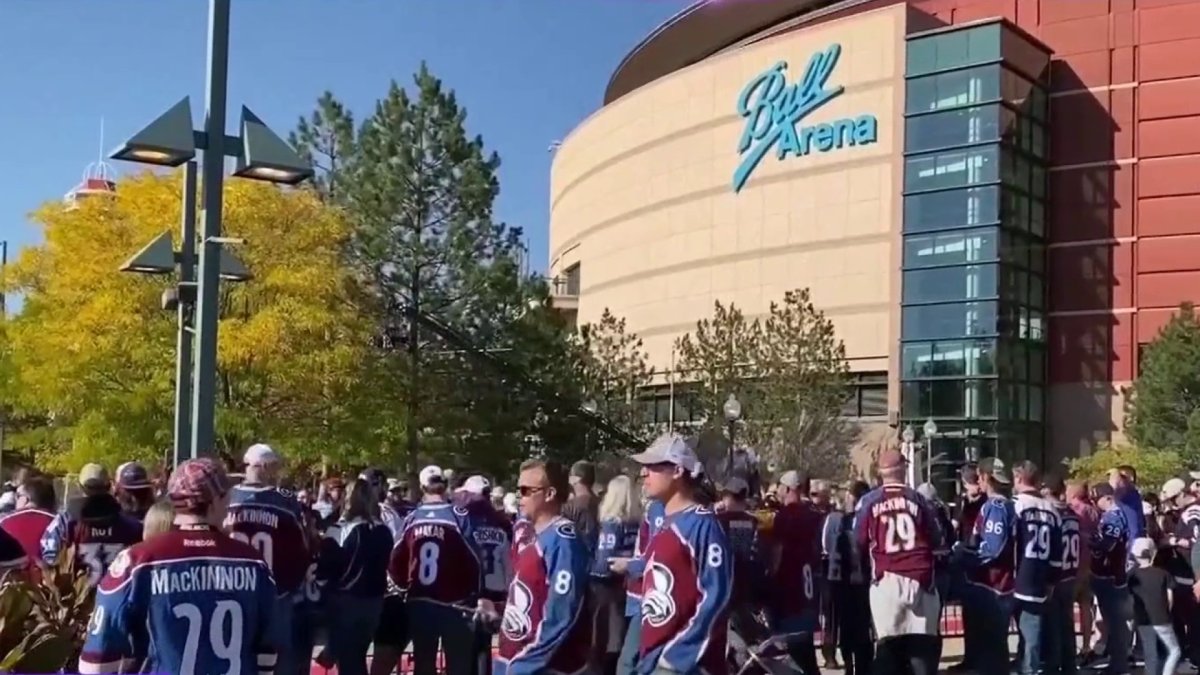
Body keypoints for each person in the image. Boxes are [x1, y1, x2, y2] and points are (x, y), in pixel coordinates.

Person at [78, 458, 277, 675]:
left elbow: (96, 661)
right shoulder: (254, 563)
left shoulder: (137, 561)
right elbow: (268, 652)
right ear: (215, 501)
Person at [631, 433, 733, 675]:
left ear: (677, 471)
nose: (644, 473)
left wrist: (677, 658)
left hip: (686, 666)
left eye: (654, 466)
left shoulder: (701, 524)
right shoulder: (665, 522)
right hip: (655, 658)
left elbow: (716, 598)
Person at [492, 459, 593, 675]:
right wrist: (498, 609)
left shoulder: (564, 540)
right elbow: (531, 599)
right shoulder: (534, 535)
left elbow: (562, 614)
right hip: (511, 659)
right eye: (518, 490)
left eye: (527, 490)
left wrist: (527, 662)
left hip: (541, 666)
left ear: (549, 494)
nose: (520, 496)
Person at [855, 449, 942, 675]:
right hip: (921, 580)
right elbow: (936, 537)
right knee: (922, 651)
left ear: (881, 473)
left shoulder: (869, 501)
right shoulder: (919, 499)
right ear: (903, 469)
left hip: (887, 580)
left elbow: (858, 540)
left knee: (888, 648)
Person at [225, 443, 310, 675]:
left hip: (232, 590)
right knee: (276, 657)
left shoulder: (226, 499)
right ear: (266, 467)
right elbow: (302, 549)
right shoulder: (285, 502)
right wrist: (290, 586)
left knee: (234, 653)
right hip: (275, 593)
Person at [390, 464, 483, 675]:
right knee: (458, 665)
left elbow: (395, 560)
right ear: (445, 485)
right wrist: (474, 593)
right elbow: (475, 560)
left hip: (420, 601)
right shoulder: (459, 516)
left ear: (423, 488)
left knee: (423, 664)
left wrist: (404, 587)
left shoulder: (412, 519)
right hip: (455, 604)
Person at [956, 457, 1016, 675]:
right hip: (995, 584)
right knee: (990, 649)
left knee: (992, 650)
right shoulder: (1006, 505)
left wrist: (964, 554)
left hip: (993, 585)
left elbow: (993, 549)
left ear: (984, 477)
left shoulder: (996, 507)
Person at [325, 478, 392, 675]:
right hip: (374, 602)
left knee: (349, 662)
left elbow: (326, 569)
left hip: (346, 601)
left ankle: (329, 652)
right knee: (358, 656)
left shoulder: (339, 529)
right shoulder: (383, 530)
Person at [41, 463, 142, 585]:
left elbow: (49, 556)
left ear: (79, 486)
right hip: (116, 594)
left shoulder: (66, 520)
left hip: (78, 598)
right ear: (109, 486)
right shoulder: (129, 523)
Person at [769, 469, 825, 675]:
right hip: (809, 589)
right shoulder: (815, 516)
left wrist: (770, 577)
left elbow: (778, 551)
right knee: (806, 647)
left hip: (790, 589)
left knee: (794, 653)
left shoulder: (784, 516)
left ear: (787, 488)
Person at [1010, 461, 1062, 675]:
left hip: (1016, 574)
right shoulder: (1052, 510)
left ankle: (1023, 668)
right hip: (1040, 576)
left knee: (1004, 631)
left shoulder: (1015, 504)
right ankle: (1028, 668)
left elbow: (1009, 541)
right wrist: (1052, 581)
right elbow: (1057, 553)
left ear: (1019, 479)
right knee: (1032, 632)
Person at [591, 475, 641, 675]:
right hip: (628, 585)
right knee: (619, 639)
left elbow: (604, 560)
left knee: (604, 643)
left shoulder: (612, 523)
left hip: (606, 586)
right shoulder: (638, 524)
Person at [612, 488, 666, 675]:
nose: (644, 480)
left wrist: (629, 565)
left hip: (648, 595)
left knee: (629, 661)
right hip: (642, 593)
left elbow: (658, 556)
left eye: (652, 469)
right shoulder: (654, 507)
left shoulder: (660, 508)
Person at [1041, 473, 1081, 675]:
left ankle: (1053, 666)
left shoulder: (1051, 514)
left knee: (1054, 625)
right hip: (1071, 572)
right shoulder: (1073, 514)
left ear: (1048, 490)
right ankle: (1069, 665)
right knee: (1067, 624)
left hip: (1056, 573)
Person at [948, 464, 985, 674]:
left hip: (973, 559)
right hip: (975, 559)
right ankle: (975, 657)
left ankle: (975, 658)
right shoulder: (973, 502)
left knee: (975, 614)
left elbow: (955, 527)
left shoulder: (972, 502)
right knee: (975, 614)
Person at [1093, 482, 1133, 675]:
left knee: (1115, 622)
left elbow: (1108, 545)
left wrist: (1089, 541)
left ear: (1107, 497)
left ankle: (1119, 665)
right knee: (1113, 622)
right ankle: (1116, 661)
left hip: (1110, 575)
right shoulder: (1112, 516)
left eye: (1097, 498)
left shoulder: (1113, 517)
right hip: (1109, 574)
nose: (1095, 502)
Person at [837, 481, 874, 675]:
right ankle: (859, 665)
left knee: (852, 626)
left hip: (854, 580)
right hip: (859, 580)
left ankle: (855, 665)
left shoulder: (852, 519)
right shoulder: (850, 519)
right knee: (861, 626)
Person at [1130, 537, 1182, 675]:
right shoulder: (1163, 574)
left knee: (1150, 654)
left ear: (1135, 555)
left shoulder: (1132, 575)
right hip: (1161, 618)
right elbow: (1170, 598)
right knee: (1175, 650)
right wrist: (1167, 613)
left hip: (1142, 620)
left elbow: (1129, 599)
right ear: (1154, 553)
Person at [1068, 479, 1102, 666]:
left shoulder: (1074, 511)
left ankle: (1070, 647)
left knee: (1067, 608)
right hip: (1090, 563)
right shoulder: (1093, 511)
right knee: (1085, 607)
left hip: (1074, 564)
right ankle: (1087, 645)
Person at [0, 475, 56, 573]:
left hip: (9, 583)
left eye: (17, 496)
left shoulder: (3, 521)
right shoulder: (63, 523)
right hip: (56, 583)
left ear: (26, 499)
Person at [563, 460, 601, 555]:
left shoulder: (569, 506)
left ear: (576, 478)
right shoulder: (604, 503)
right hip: (598, 555)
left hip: (578, 556)